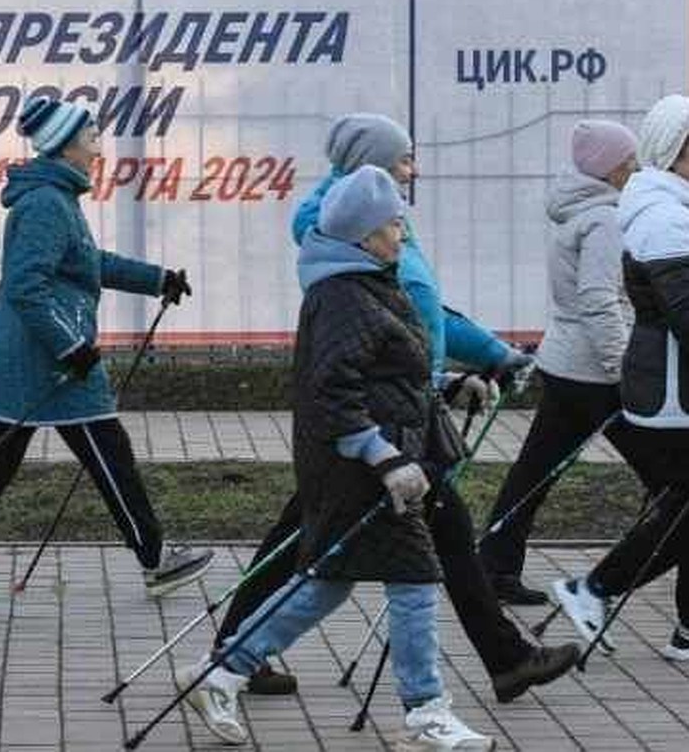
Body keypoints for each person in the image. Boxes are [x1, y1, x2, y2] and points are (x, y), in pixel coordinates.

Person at [213, 113, 577, 704]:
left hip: (406, 415)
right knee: (317, 553)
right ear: (371, 168)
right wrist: (408, 411)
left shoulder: (386, 229)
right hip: (376, 433)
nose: (414, 169)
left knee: (437, 538)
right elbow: (367, 346)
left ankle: (504, 661)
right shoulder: (357, 238)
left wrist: (483, 361)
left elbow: (426, 318)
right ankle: (235, 656)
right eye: (404, 159)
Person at [177, 165, 494, 750]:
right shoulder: (344, 293)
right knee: (416, 577)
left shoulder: (369, 279)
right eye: (394, 223)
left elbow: (381, 370)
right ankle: (426, 712)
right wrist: (384, 459)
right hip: (364, 468)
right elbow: (332, 391)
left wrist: (446, 384)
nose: (403, 233)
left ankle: (223, 671)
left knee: (328, 583)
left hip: (370, 461)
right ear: (364, 233)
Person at [0, 95, 213, 600]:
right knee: (109, 455)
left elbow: (87, 262)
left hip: (34, 354)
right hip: (49, 360)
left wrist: (157, 278)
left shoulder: (57, 198)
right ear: (66, 144)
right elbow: (25, 286)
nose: (99, 146)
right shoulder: (47, 203)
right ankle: (156, 560)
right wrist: (71, 347)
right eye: (92, 136)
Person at [480, 121, 638, 604]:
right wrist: (625, 367)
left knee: (534, 470)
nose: (637, 168)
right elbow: (598, 300)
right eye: (630, 161)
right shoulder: (605, 221)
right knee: (672, 481)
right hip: (598, 372)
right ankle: (599, 588)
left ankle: (493, 569)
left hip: (566, 364)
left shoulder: (579, 213)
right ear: (613, 168)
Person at [555, 95, 689, 662]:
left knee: (683, 506)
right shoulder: (662, 214)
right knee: (682, 507)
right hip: (670, 389)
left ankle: (684, 629)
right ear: (675, 150)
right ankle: (594, 587)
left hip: (672, 385)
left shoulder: (673, 205)